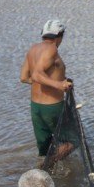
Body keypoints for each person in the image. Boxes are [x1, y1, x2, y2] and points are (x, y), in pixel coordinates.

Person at [20, 19, 75, 162]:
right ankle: (49, 166)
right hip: (52, 107)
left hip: (36, 108)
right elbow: (38, 74)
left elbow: (24, 77)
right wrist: (59, 85)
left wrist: (47, 83)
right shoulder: (52, 49)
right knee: (72, 141)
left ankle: (43, 170)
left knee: (44, 149)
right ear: (59, 36)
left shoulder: (33, 49)